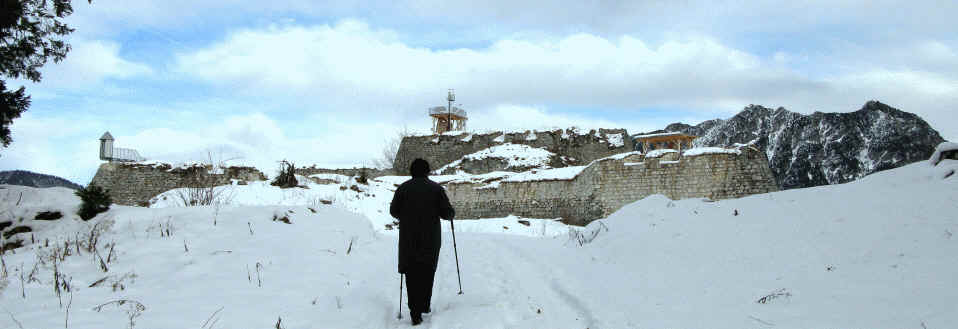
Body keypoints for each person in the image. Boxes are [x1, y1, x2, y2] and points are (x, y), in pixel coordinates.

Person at [390, 158, 455, 326]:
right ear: (427, 171)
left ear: (412, 171)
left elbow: (393, 211)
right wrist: (451, 213)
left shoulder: (403, 189)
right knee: (427, 271)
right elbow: (446, 213)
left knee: (411, 273)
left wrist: (405, 216)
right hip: (430, 239)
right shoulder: (436, 189)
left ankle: (414, 311)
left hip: (408, 238)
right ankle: (424, 305)